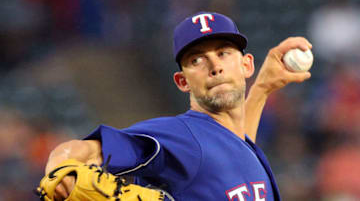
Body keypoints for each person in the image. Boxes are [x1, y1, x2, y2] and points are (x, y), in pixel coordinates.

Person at [44, 12, 312, 200]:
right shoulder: (181, 136)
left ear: (246, 65)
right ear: (182, 81)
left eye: (223, 53)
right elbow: (79, 151)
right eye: (197, 60)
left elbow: (234, 149)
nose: (214, 66)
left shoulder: (235, 144)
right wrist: (60, 167)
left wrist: (262, 88)